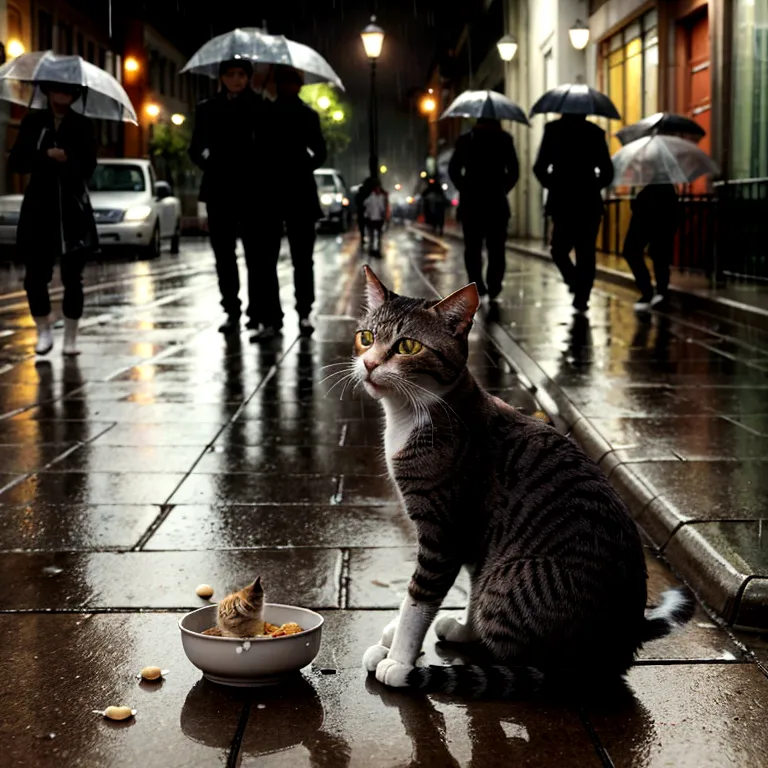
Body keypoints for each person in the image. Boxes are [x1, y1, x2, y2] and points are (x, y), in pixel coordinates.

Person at [9, 82, 98, 356]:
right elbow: (16, 162)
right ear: (47, 92)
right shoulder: (34, 121)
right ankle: (43, 329)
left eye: (69, 92)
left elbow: (89, 165)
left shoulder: (82, 124)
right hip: (39, 208)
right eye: (57, 91)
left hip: (72, 209)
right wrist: (45, 156)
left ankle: (71, 337)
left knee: (73, 277)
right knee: (35, 276)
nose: (62, 97)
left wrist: (67, 159)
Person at [189, 59, 264, 335]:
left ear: (248, 78)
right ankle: (231, 309)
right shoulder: (207, 109)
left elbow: (267, 147)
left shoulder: (259, 107)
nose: (236, 80)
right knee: (224, 255)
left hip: (252, 193)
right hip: (219, 191)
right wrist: (211, 161)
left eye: (241, 75)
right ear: (221, 77)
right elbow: (195, 148)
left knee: (255, 256)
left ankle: (255, 312)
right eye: (230, 74)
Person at [255, 66, 327, 340]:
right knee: (273, 260)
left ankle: (302, 312)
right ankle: (279, 316)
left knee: (299, 259)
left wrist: (299, 166)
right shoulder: (265, 113)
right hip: (274, 193)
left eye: (291, 84)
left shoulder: (306, 115)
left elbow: (319, 152)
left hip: (293, 193)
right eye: (284, 83)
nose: (288, 88)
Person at [533, 114, 614, 312]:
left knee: (558, 249)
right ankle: (582, 294)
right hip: (588, 200)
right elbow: (607, 172)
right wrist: (594, 184)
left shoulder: (553, 130)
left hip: (563, 200)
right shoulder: (595, 132)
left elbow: (539, 167)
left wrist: (552, 183)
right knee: (586, 251)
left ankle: (575, 283)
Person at [448, 118, 519, 303]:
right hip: (496, 202)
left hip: (472, 203)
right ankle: (494, 283)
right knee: (496, 248)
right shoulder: (504, 139)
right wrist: (502, 188)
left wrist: (464, 186)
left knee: (472, 247)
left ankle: (477, 283)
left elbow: (453, 170)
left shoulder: (466, 139)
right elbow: (514, 171)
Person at [622, 183, 679, 311]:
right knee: (658, 254)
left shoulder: (656, 186)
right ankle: (658, 292)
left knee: (653, 253)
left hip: (650, 219)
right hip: (654, 220)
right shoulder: (657, 185)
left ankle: (652, 291)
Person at [363, 180, 388, 256]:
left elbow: (383, 208)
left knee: (379, 236)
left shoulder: (381, 197)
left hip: (379, 219)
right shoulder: (370, 198)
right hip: (372, 219)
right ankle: (371, 250)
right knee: (372, 236)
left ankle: (378, 250)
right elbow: (366, 206)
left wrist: (384, 216)